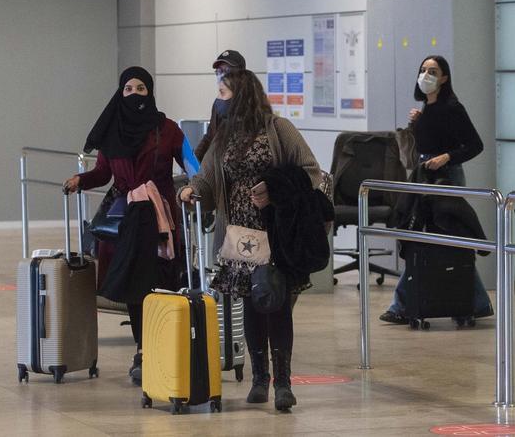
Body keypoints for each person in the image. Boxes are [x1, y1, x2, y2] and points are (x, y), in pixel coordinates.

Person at [178, 67, 323, 412]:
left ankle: (283, 382)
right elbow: (208, 176)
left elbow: (310, 171)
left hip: (276, 230)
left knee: (278, 304)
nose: (219, 100)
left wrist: (274, 189)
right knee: (252, 304)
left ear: (241, 95)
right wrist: (191, 190)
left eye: (224, 93)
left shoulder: (278, 128)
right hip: (239, 234)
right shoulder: (224, 135)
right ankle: (259, 378)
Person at [64, 67, 187, 384]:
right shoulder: (112, 131)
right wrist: (81, 179)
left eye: (141, 88)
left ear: (151, 93)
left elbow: (192, 165)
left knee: (160, 284)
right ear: (120, 93)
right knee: (136, 286)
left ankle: (161, 348)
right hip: (124, 220)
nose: (134, 94)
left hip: (160, 219)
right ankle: (143, 351)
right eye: (128, 89)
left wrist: (199, 186)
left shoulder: (168, 129)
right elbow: (103, 174)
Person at [379, 55, 493, 325]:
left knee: (446, 239)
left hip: (445, 178)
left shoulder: (453, 107)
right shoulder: (426, 108)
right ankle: (476, 302)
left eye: (433, 71)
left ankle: (402, 305)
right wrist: (418, 123)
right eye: (423, 70)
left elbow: (474, 145)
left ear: (444, 77)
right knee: (429, 240)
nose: (426, 75)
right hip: (424, 176)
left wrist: (447, 157)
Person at [194, 49, 246, 163]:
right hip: (217, 170)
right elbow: (210, 136)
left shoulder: (251, 104)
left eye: (226, 71)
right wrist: (194, 162)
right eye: (218, 72)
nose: (221, 77)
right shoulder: (219, 103)